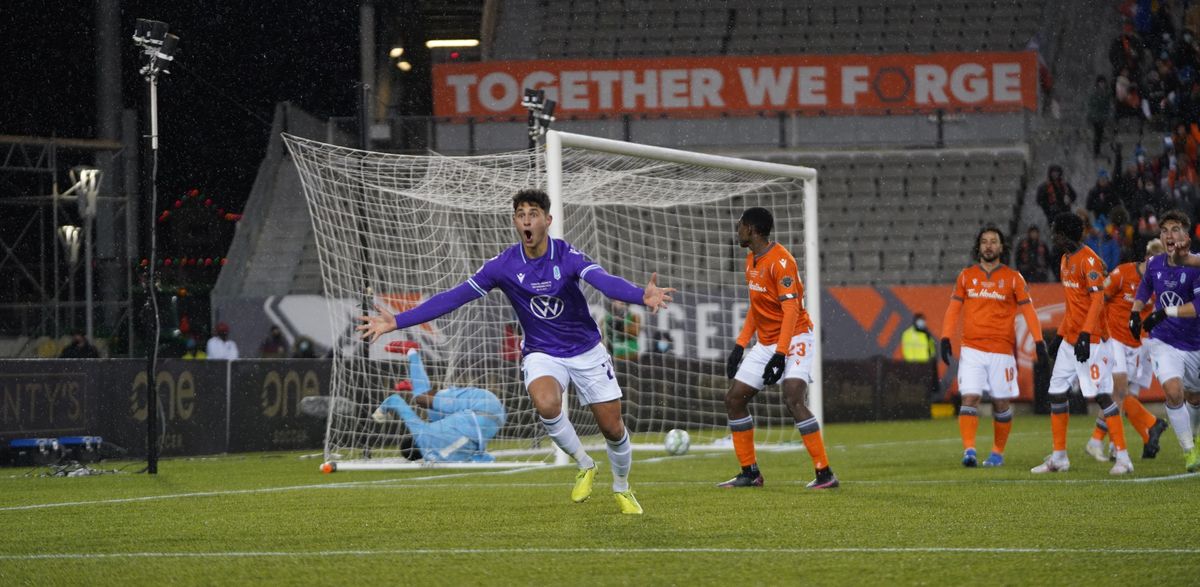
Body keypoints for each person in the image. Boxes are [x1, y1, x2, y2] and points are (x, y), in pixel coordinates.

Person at [357, 188, 675, 515]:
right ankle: (585, 463)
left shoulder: (567, 256)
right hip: (541, 351)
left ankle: (622, 487)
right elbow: (454, 297)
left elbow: (604, 281)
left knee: (612, 428)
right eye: (521, 214)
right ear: (515, 221)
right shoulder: (504, 265)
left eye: (533, 214)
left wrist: (641, 295)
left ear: (547, 220)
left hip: (586, 350)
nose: (527, 220)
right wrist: (397, 320)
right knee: (546, 403)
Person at [720, 207, 837, 490]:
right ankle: (750, 472)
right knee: (734, 400)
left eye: (741, 226)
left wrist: (781, 353)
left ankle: (825, 474)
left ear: (752, 230)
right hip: (767, 342)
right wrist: (740, 344)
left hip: (795, 336)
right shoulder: (752, 259)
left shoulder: (781, 262)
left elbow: (791, 311)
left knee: (793, 397)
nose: (737, 230)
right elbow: (757, 306)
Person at [1032, 212, 1133, 475]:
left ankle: (1123, 457)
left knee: (1101, 395)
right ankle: (1059, 457)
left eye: (1056, 232)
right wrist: (1060, 337)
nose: (1053, 237)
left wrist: (1087, 335)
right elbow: (1073, 306)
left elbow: (1098, 301)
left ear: (1067, 234)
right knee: (1055, 392)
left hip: (1095, 340)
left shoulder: (1088, 260)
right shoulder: (1065, 260)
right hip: (1072, 339)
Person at [940, 226, 1049, 468]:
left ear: (1001, 247)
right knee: (970, 397)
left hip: (1002, 350)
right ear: (978, 247)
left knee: (1001, 402)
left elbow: (1029, 311)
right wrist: (946, 337)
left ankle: (997, 453)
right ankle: (969, 451)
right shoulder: (966, 276)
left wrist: (1039, 341)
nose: (989, 245)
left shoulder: (1013, 278)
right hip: (972, 349)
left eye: (994, 241)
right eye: (985, 242)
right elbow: (954, 309)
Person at [1129, 209, 1200, 472]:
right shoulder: (1155, 264)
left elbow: (1198, 306)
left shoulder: (1196, 266)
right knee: (1173, 392)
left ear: (1186, 235)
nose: (1169, 235)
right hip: (1164, 340)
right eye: (1165, 230)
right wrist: (1136, 311)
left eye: (1176, 229)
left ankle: (1195, 437)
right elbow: (1145, 286)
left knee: (1195, 398)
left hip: (1195, 342)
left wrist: (1163, 311)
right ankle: (1189, 451)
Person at [1086, 239, 1169, 461]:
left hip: (1139, 344)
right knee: (1120, 391)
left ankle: (1135, 434)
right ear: (1147, 257)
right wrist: (1094, 329)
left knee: (1125, 396)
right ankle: (1099, 440)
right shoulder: (1123, 273)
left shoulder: (1160, 284)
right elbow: (1100, 298)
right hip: (1113, 339)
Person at [372, 345, 507, 462]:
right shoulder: (421, 433)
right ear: (413, 438)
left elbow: (485, 459)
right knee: (421, 398)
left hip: (496, 422)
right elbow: (395, 400)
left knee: (432, 412)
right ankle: (411, 352)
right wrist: (381, 411)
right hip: (482, 403)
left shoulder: (443, 458)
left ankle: (414, 384)